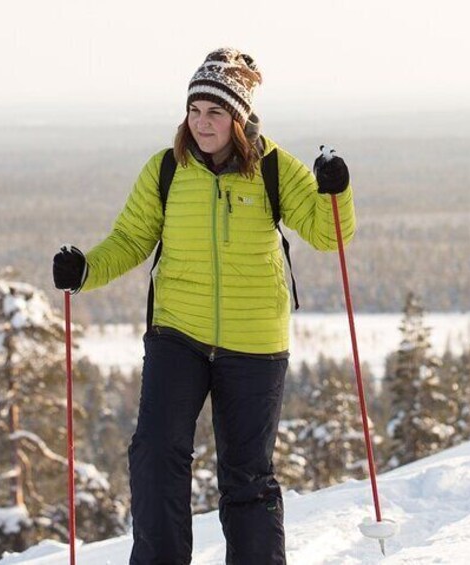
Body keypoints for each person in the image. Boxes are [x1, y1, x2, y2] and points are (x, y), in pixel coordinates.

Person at [53, 47, 355, 565]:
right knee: (155, 453)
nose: (201, 122)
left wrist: (338, 189)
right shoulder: (168, 169)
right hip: (178, 333)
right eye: (194, 110)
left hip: (254, 343)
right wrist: (85, 270)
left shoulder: (275, 169)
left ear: (239, 117)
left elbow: (330, 235)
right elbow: (130, 238)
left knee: (247, 476)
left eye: (215, 111)